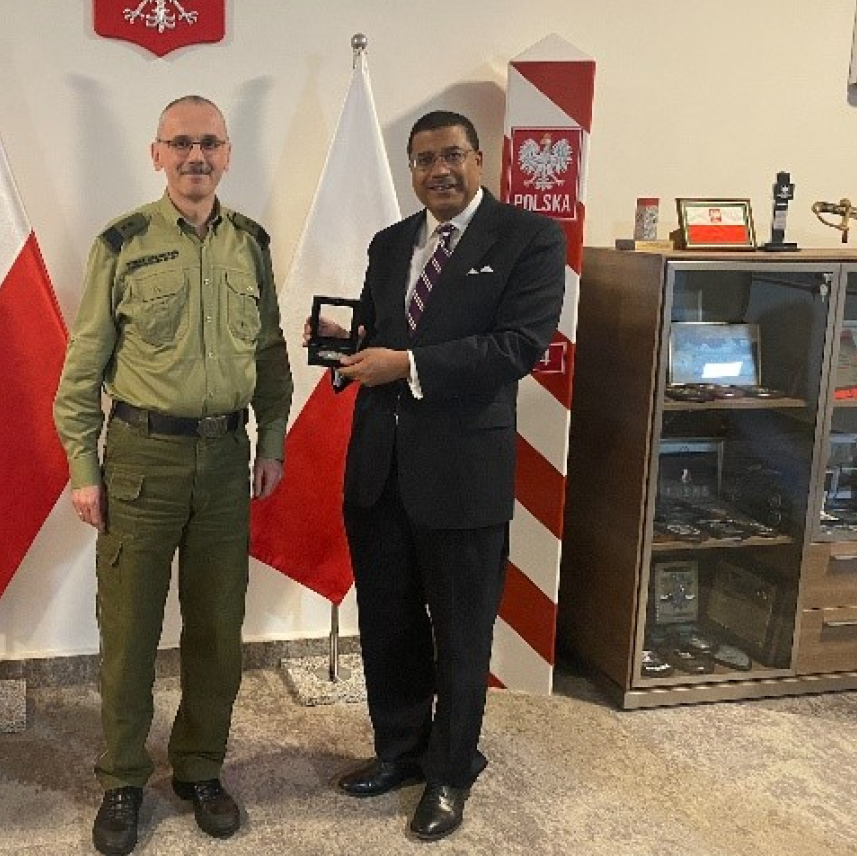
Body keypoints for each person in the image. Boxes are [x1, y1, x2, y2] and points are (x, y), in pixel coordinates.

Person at [314, 110, 565, 842]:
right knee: (388, 622)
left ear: (479, 159)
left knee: (460, 633)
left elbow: (518, 344)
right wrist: (343, 344)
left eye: (452, 155)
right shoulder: (392, 242)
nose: (439, 171)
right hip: (379, 467)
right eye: (424, 160)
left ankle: (451, 772)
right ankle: (400, 752)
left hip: (462, 472)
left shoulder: (528, 238)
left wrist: (410, 366)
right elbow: (380, 330)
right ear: (412, 170)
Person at [53, 95, 292, 856]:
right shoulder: (121, 243)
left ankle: (199, 767)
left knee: (219, 628)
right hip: (141, 462)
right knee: (128, 630)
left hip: (226, 460)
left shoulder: (250, 244)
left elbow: (272, 353)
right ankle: (124, 775)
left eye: (210, 144)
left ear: (228, 155)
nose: (196, 157)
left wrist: (274, 438)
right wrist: (83, 469)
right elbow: (83, 365)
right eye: (181, 143)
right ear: (156, 154)